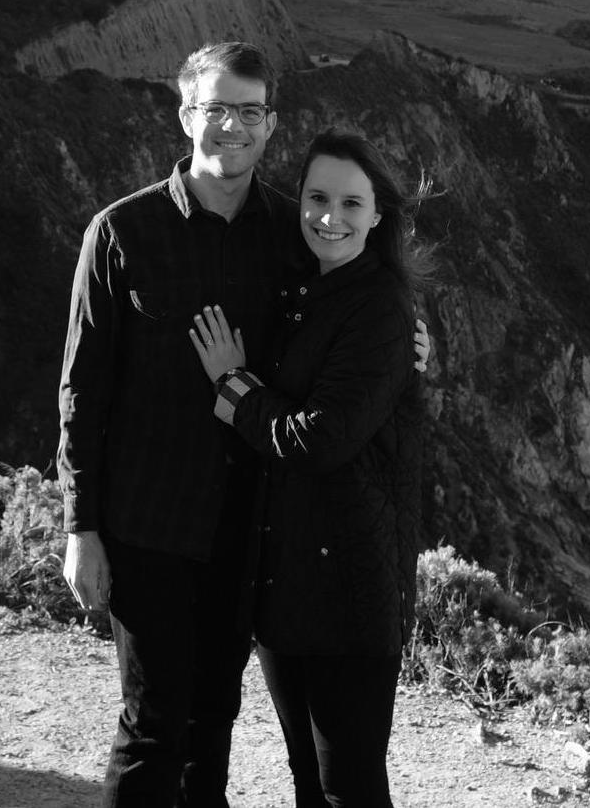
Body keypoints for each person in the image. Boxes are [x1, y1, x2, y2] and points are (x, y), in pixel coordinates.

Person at [57, 44, 429, 808]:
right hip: (147, 525)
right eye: (215, 108)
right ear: (186, 113)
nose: (231, 126)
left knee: (215, 725)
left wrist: (420, 345)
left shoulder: (291, 231)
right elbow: (80, 390)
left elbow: (360, 297)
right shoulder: (122, 232)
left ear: (270, 123)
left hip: (249, 536)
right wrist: (79, 528)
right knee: (153, 726)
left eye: (248, 111)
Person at [189, 129, 425, 808]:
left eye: (351, 203)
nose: (330, 216)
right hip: (287, 585)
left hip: (350, 594)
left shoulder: (379, 307)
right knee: (310, 781)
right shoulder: (301, 289)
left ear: (378, 213)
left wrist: (232, 389)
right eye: (317, 197)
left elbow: (321, 438)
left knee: (348, 785)